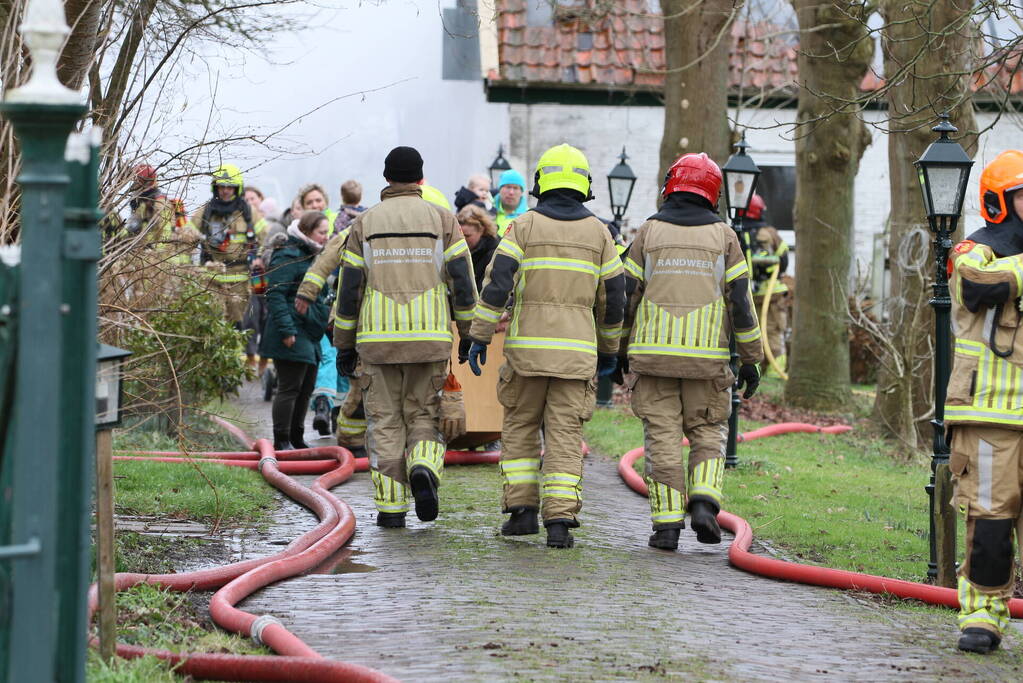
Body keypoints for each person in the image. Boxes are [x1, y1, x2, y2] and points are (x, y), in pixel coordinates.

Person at [467, 143, 625, 549]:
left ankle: (521, 515)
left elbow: (497, 281)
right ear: (584, 183)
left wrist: (479, 335)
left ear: (541, 181)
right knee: (565, 437)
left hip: (526, 356)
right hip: (575, 358)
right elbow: (614, 296)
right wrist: (609, 349)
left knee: (519, 429)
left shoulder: (524, 226)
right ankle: (559, 522)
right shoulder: (600, 234)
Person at [619, 152, 763, 552]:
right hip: (707, 360)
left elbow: (626, 296)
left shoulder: (648, 233)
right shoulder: (725, 237)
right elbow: (741, 303)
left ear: (671, 185)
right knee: (707, 434)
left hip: (653, 360)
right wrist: (751, 357)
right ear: (712, 192)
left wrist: (615, 349)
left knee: (661, 438)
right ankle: (703, 503)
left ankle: (666, 527)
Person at [334, 146, 477, 528]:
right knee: (425, 417)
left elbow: (349, 290)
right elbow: (463, 282)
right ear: (420, 178)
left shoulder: (365, 224)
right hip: (429, 340)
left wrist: (344, 344)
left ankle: (392, 510)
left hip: (377, 344)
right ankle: (424, 468)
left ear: (386, 178)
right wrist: (468, 333)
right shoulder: (443, 221)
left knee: (384, 424)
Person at [944, 150, 1023, 655]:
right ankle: (982, 616)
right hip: (989, 411)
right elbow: (977, 287)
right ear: (1000, 202)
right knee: (990, 522)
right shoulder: (976, 251)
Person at [259, 211, 331, 450]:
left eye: (327, 232)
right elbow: (276, 295)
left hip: (309, 332)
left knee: (306, 387)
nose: (325, 237)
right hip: (291, 330)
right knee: (290, 387)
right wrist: (287, 330)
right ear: (308, 232)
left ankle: (297, 437)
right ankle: (281, 440)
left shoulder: (311, 256)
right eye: (321, 232)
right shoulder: (288, 255)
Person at [184, 164, 264, 326]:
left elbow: (267, 238)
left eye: (230, 187)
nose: (226, 190)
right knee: (212, 325)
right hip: (210, 280)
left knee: (236, 326)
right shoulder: (205, 211)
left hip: (239, 281)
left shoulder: (248, 212)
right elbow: (186, 239)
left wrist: (260, 258)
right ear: (215, 187)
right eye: (222, 186)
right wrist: (186, 268)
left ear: (237, 188)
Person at [745, 193, 790, 374]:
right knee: (773, 334)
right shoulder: (770, 233)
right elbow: (784, 259)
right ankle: (774, 373)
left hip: (745, 294)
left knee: (748, 335)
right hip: (771, 295)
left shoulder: (735, 232)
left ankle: (751, 372)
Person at [456, 204, 499, 292]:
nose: (462, 240)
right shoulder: (454, 249)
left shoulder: (494, 253)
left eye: (467, 236)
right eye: (459, 236)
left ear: (482, 230)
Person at [492, 168, 529, 236]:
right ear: (500, 189)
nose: (511, 192)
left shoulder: (528, 217)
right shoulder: (487, 211)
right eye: (508, 187)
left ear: (521, 192)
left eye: (515, 188)